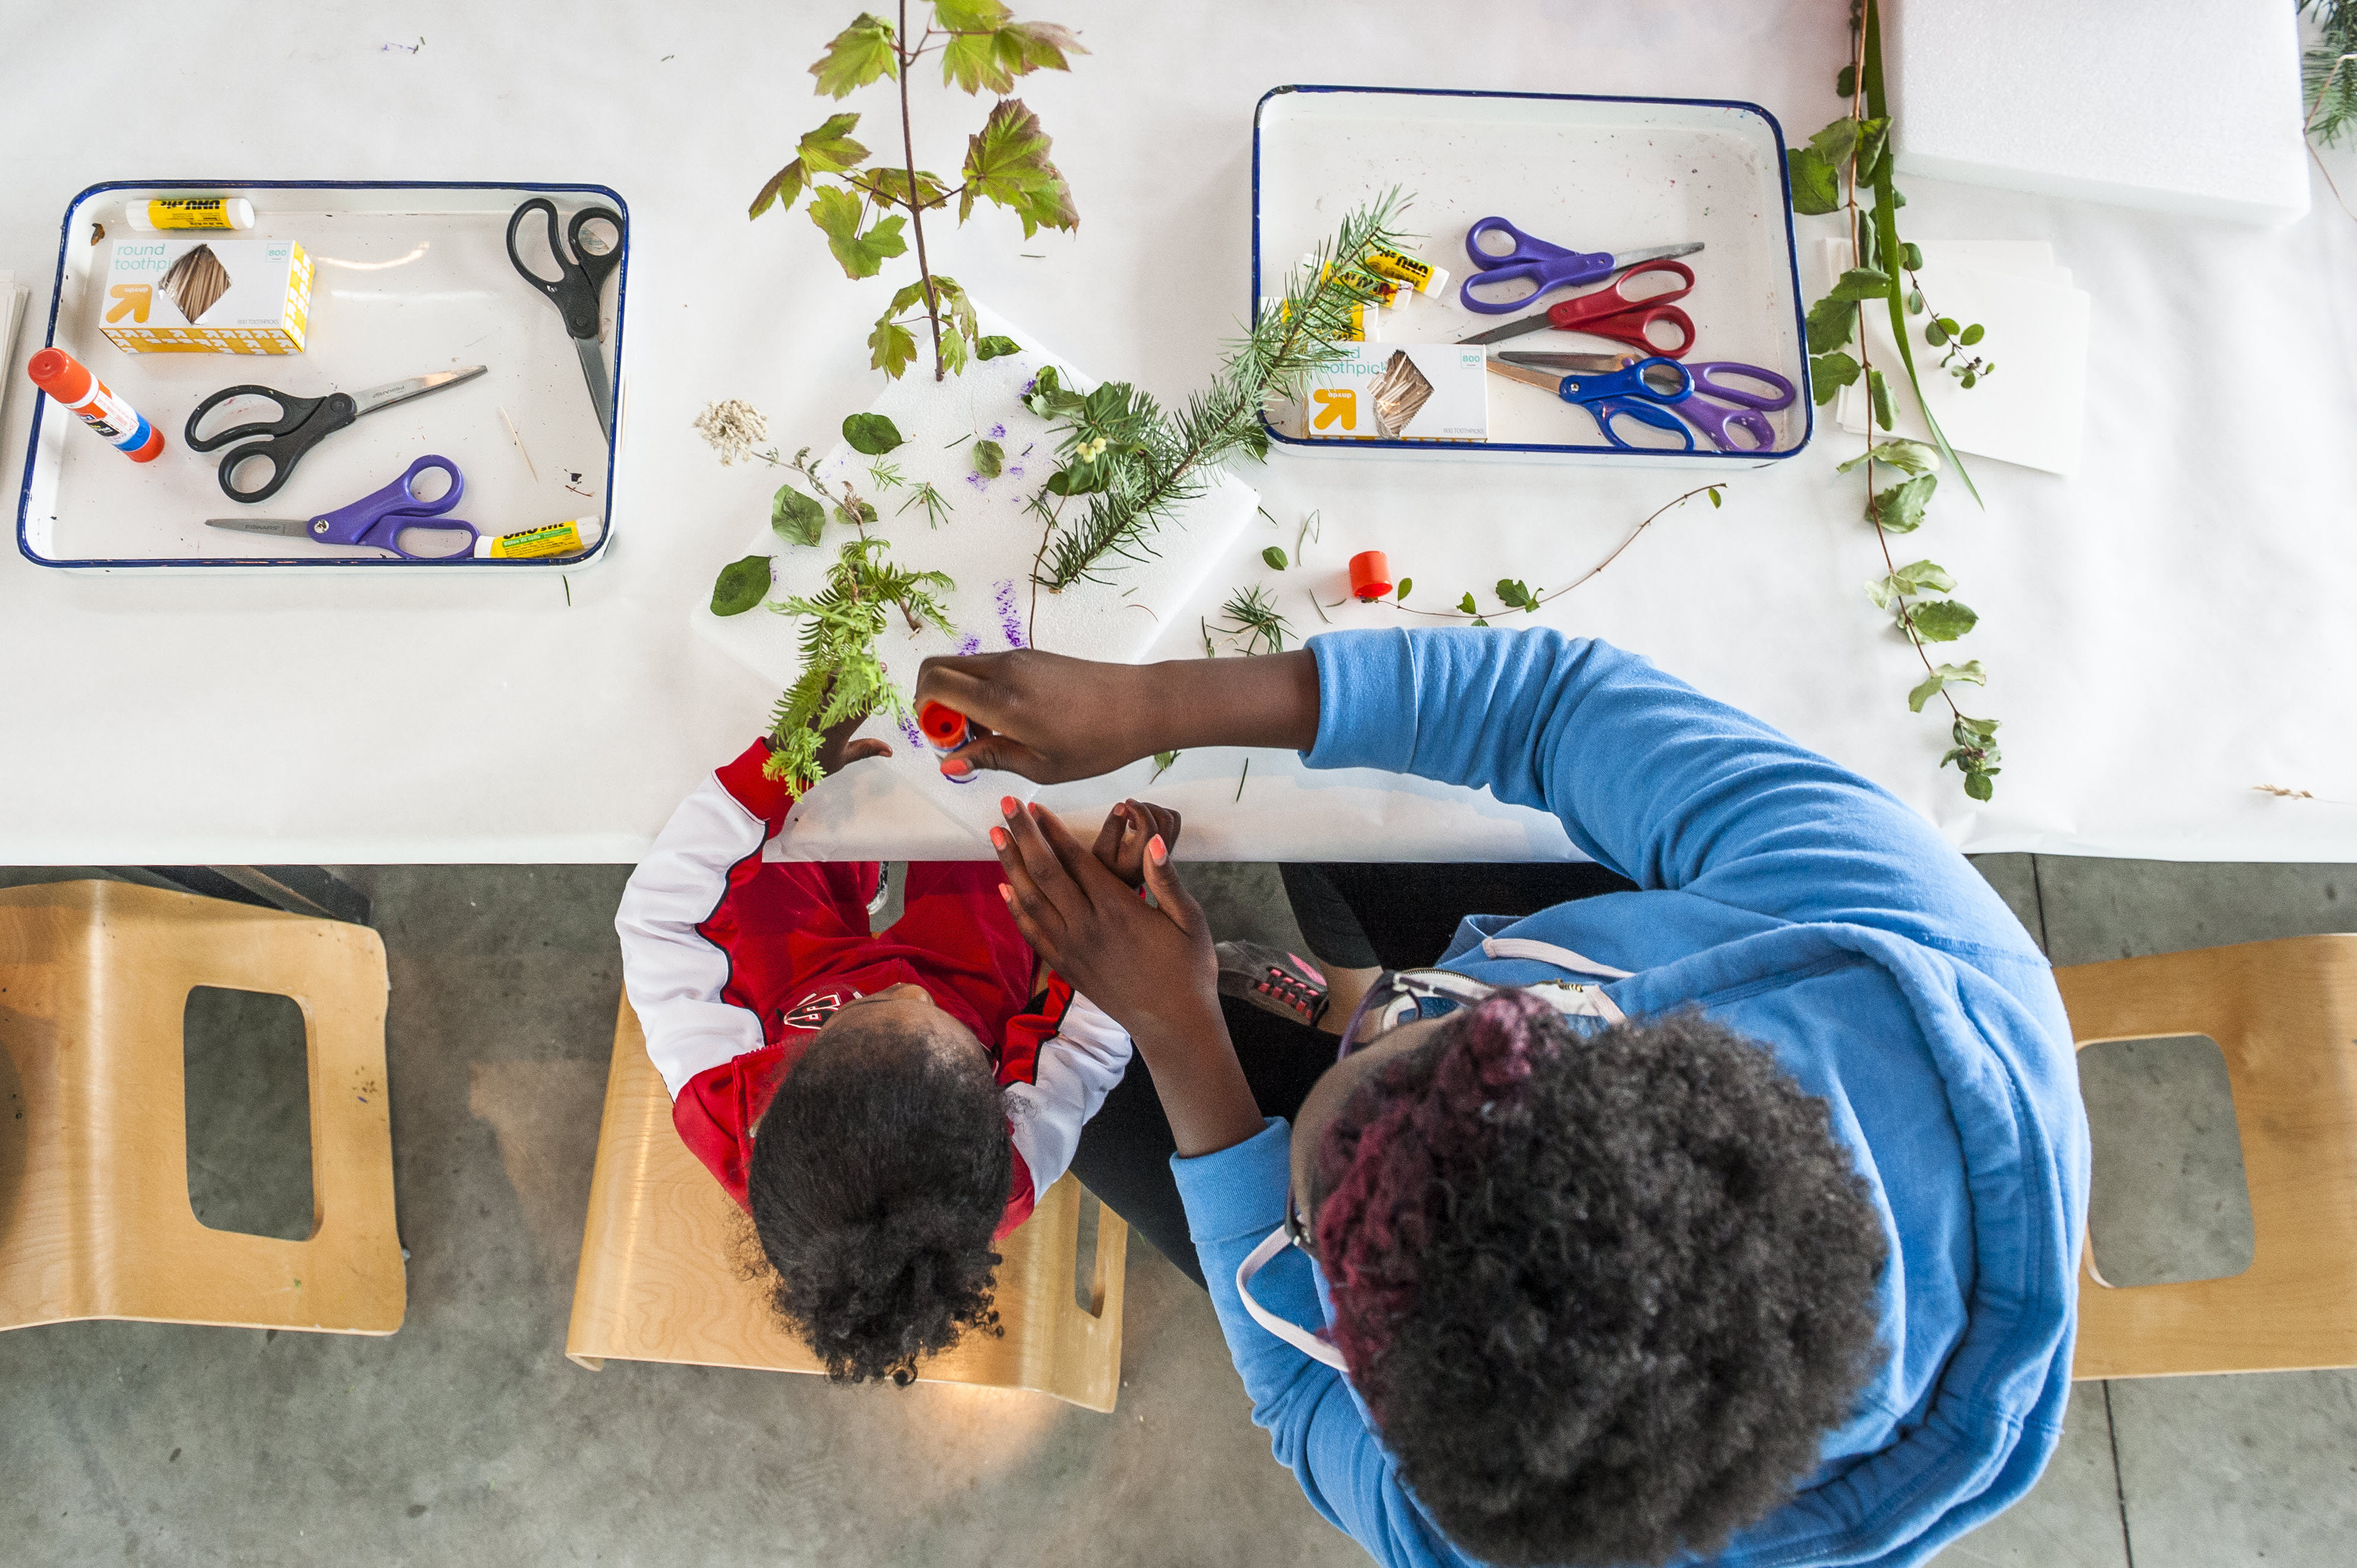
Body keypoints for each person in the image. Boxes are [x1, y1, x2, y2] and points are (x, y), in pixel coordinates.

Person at [916, 627, 2089, 1568]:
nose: (1381, 1019)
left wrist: (1180, 1033)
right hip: (1695, 943)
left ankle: (1324, 976)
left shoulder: (1504, 1508)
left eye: (1312, 1237)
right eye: (1409, 1020)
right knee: (1353, 808)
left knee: (1047, 1066)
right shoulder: (1895, 942)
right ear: (1596, 1026)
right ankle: (1344, 950)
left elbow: (1296, 1401)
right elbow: (1553, 707)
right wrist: (1154, 706)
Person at [614, 715, 1178, 1385]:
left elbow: (661, 922)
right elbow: (1080, 1050)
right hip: (962, 972)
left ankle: (853, 865)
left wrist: (779, 772)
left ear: (783, 1082)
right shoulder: (1005, 1172)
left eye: (876, 1009)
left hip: (795, 975)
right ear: (997, 1112)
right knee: (1010, 830)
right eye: (951, 1037)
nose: (910, 991)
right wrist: (1112, 916)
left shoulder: (726, 1103)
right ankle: (877, 868)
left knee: (793, 837)